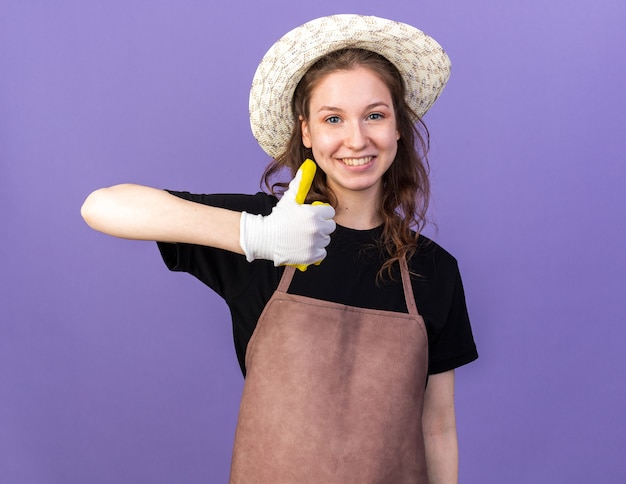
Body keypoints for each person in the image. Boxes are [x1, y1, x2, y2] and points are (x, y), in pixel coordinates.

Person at [81, 14, 478, 484]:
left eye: (375, 115)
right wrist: (255, 236)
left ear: (397, 128)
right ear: (306, 132)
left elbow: (437, 428)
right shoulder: (263, 232)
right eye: (333, 118)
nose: (357, 139)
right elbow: (102, 206)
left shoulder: (434, 270)